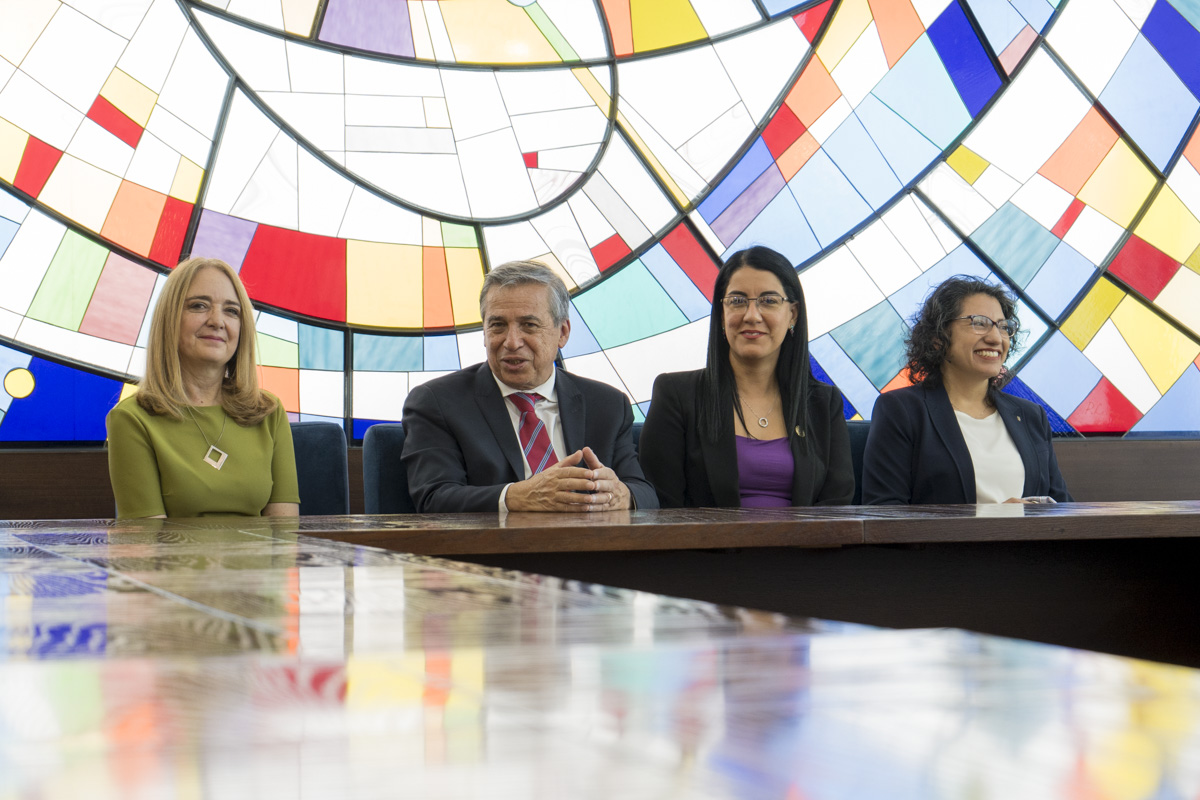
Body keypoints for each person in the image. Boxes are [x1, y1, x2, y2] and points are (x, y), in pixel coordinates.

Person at [401, 260, 657, 513]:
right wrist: (515, 497)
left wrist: (621, 495)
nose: (512, 342)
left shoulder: (607, 404)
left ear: (563, 332)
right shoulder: (437, 402)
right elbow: (434, 498)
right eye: (498, 325)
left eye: (529, 325)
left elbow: (644, 494)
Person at [639, 246, 853, 508]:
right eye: (737, 301)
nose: (752, 316)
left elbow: (836, 506)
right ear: (722, 314)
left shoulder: (824, 403)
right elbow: (661, 508)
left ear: (793, 314)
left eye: (769, 301)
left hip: (806, 537)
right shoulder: (676, 395)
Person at [106, 257, 300, 518]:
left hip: (261, 549)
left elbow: (284, 533)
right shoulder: (131, 419)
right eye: (199, 306)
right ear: (169, 319)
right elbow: (148, 539)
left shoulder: (269, 412)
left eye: (232, 311)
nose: (217, 321)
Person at [861, 275, 1071, 504]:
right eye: (979, 323)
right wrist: (994, 518)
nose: (995, 338)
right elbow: (885, 511)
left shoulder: (1031, 416)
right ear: (937, 338)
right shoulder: (901, 410)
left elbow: (1063, 507)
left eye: (1003, 327)